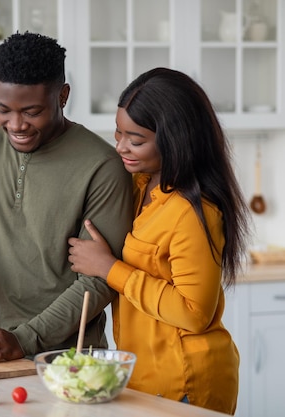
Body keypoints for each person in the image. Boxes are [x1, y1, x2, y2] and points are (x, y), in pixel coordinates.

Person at [67, 67, 250, 415]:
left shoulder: (192, 213)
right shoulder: (140, 187)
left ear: (176, 139)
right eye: (118, 134)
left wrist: (109, 268)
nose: (121, 147)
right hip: (145, 377)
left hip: (186, 381)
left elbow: (194, 314)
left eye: (135, 140)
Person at [0, 32, 134, 363]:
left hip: (71, 361)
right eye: (3, 109)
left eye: (31, 112)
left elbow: (99, 281)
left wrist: (23, 338)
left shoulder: (102, 165)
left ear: (62, 96)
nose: (16, 124)